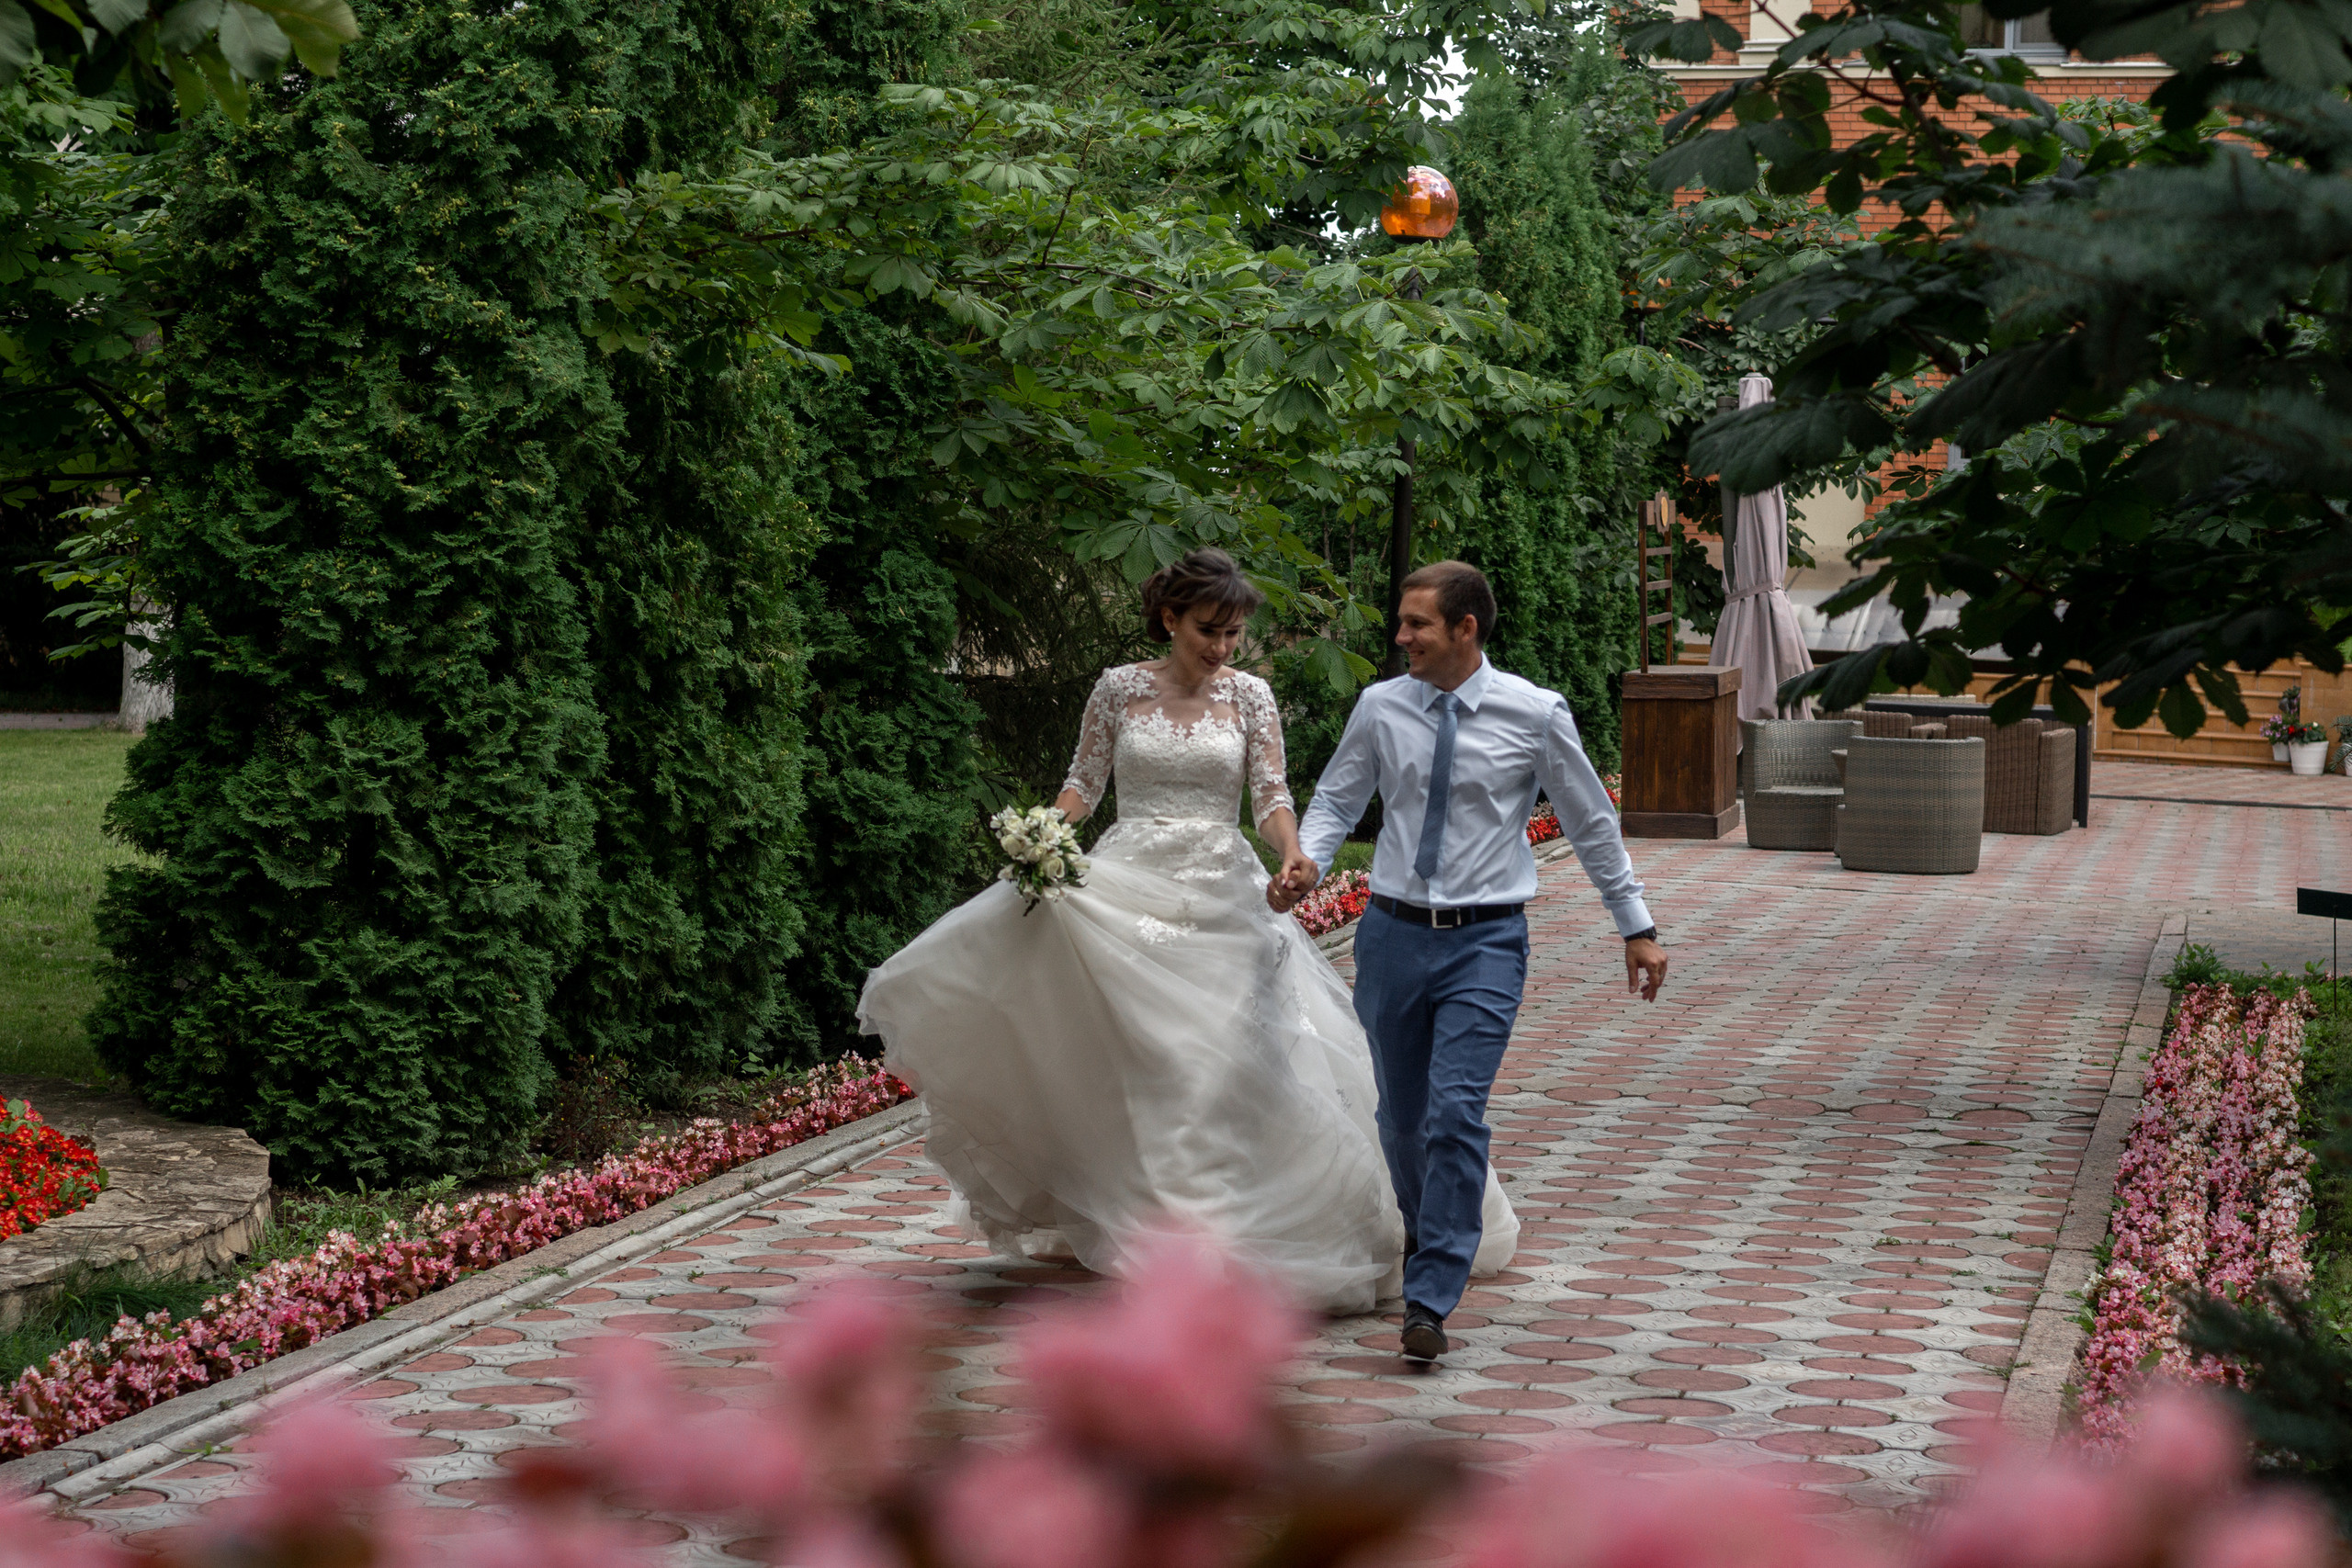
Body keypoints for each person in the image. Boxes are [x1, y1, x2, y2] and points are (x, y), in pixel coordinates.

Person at [857, 548, 1516, 1314]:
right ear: (1169, 618)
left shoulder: (1250, 698)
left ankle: (1227, 1236)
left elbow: (1270, 796)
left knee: (1222, 1066)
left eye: (1234, 633)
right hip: (1127, 889)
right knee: (1153, 1065)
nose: (1223, 647)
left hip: (1221, 893)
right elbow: (1084, 783)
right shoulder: (1118, 690)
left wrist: (1294, 852)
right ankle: (1166, 1239)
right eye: (1210, 630)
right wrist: (1043, 837)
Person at [1279, 560, 1668, 1361]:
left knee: (1456, 1111)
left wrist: (1635, 924)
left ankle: (1430, 1295)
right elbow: (1337, 800)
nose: (1400, 636)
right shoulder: (1381, 707)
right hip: (1389, 934)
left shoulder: (1535, 713)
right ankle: (1429, 1233)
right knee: (1401, 1117)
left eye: (1417, 623)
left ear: (1465, 628)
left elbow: (1590, 822)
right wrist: (1310, 860)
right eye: (1402, 621)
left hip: (1487, 940)